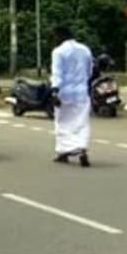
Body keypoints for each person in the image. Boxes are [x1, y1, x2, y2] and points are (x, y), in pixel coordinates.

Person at [50, 25, 95, 167]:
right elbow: (89, 71)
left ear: (60, 36)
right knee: (81, 122)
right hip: (81, 93)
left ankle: (63, 152)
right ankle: (82, 150)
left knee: (62, 123)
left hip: (64, 93)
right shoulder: (85, 49)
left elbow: (57, 73)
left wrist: (54, 91)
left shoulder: (58, 52)